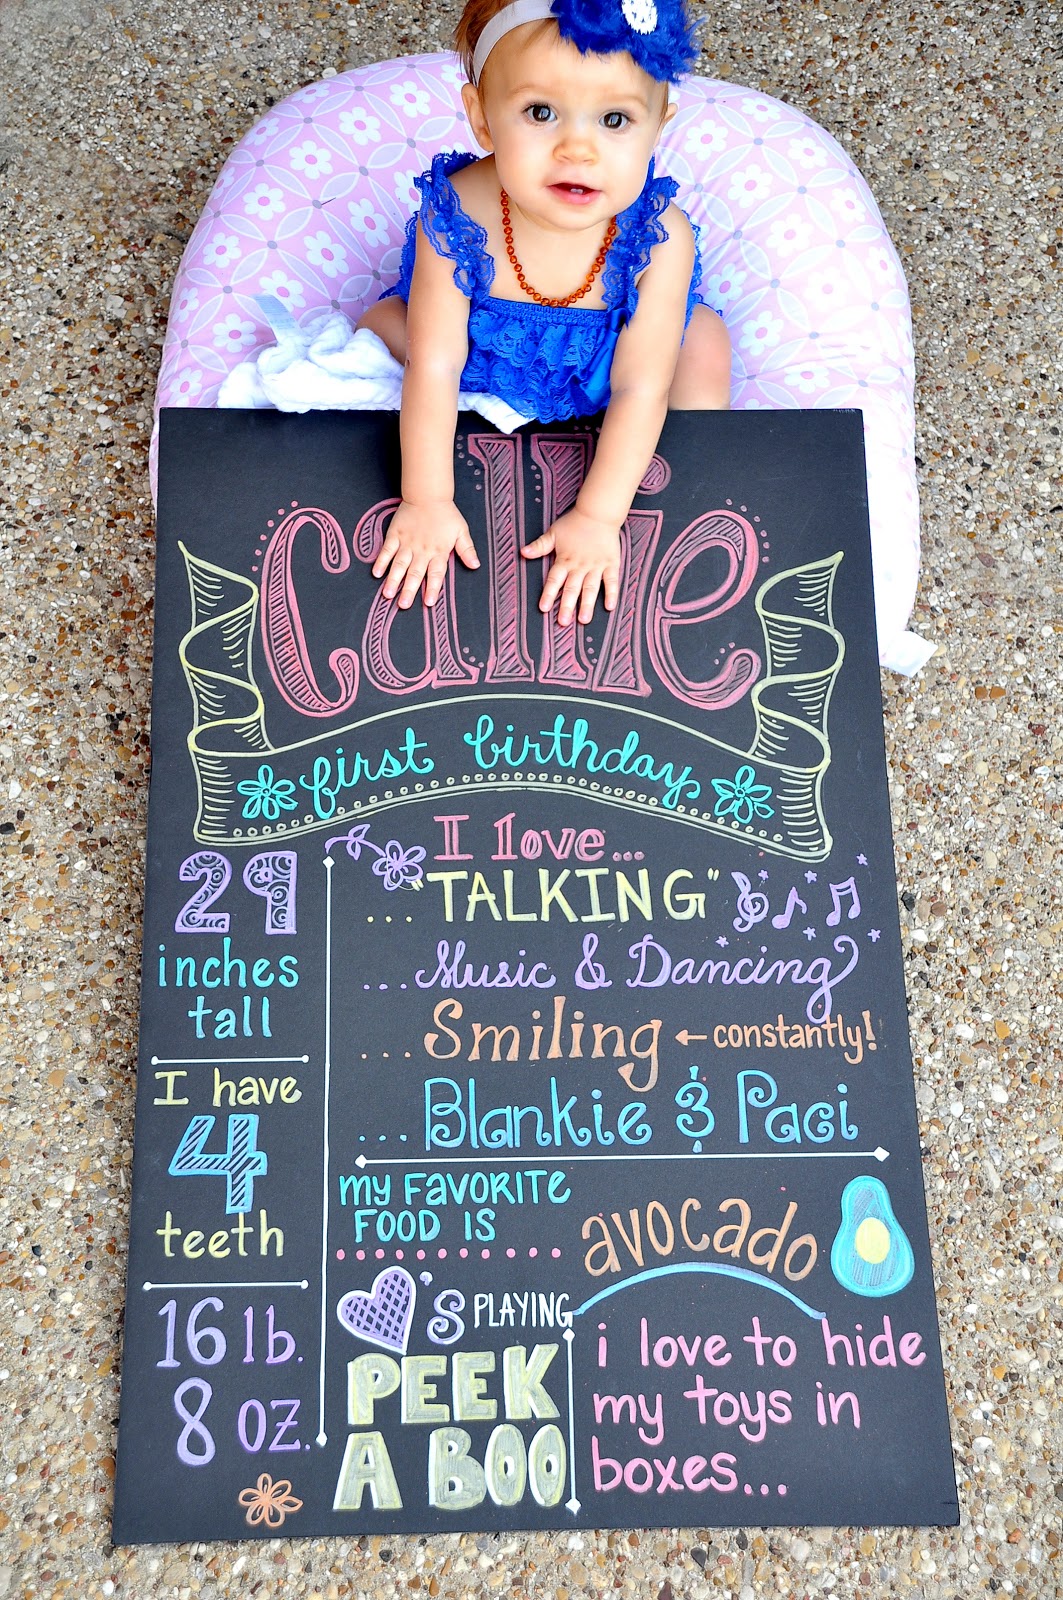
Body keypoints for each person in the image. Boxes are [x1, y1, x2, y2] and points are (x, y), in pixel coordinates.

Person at [359, 0, 732, 625]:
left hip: (609, 367)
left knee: (704, 345)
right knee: (378, 328)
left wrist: (598, 518)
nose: (577, 149)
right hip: (486, 355)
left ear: (659, 127)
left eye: (615, 119)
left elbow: (640, 386)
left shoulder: (659, 237)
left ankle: (694, 477)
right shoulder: (456, 213)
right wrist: (427, 500)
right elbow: (437, 361)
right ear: (482, 119)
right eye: (540, 113)